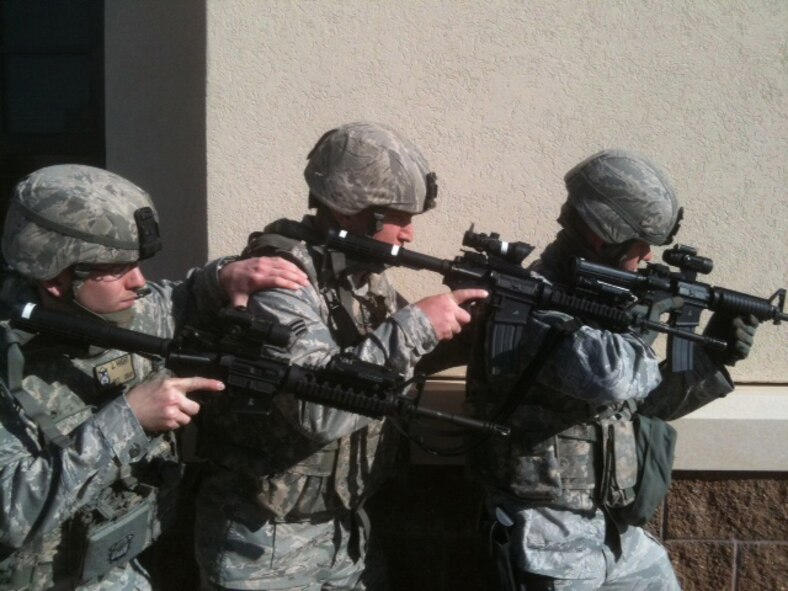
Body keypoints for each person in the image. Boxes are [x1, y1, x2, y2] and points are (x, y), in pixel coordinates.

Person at [194, 122, 487, 590]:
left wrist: (464, 327)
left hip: (344, 529)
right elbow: (318, 410)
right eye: (398, 216)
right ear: (356, 210)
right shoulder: (282, 278)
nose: (409, 233)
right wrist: (416, 326)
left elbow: (385, 364)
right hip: (267, 540)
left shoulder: (356, 272)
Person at [0, 164, 308, 591]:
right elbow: (10, 512)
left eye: (139, 264)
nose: (139, 281)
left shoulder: (125, 310)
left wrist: (221, 278)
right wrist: (128, 419)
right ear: (56, 278)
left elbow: (174, 301)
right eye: (118, 267)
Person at [467, 149, 759, 590]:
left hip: (618, 535)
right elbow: (610, 378)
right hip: (547, 538)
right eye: (640, 242)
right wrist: (644, 320)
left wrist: (710, 360)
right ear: (606, 235)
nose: (646, 256)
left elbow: (642, 406)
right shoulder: (525, 302)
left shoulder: (610, 310)